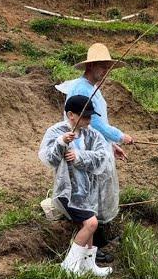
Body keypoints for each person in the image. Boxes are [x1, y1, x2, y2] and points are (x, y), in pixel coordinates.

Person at [55, 43, 134, 263]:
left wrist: (110, 145)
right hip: (83, 153)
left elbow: (98, 125)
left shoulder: (92, 88)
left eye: (108, 67)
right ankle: (92, 248)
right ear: (91, 66)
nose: (106, 72)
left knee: (98, 194)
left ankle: (98, 241)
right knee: (91, 196)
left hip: (94, 148)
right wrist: (120, 136)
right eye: (103, 67)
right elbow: (94, 123)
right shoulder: (82, 89)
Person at [38, 95, 114, 276]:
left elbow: (102, 156)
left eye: (90, 116)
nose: (89, 120)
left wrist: (80, 156)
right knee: (91, 224)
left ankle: (88, 267)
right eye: (85, 116)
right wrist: (62, 142)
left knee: (85, 226)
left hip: (87, 191)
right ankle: (69, 268)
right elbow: (49, 158)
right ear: (71, 114)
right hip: (68, 191)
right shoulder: (56, 132)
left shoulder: (91, 134)